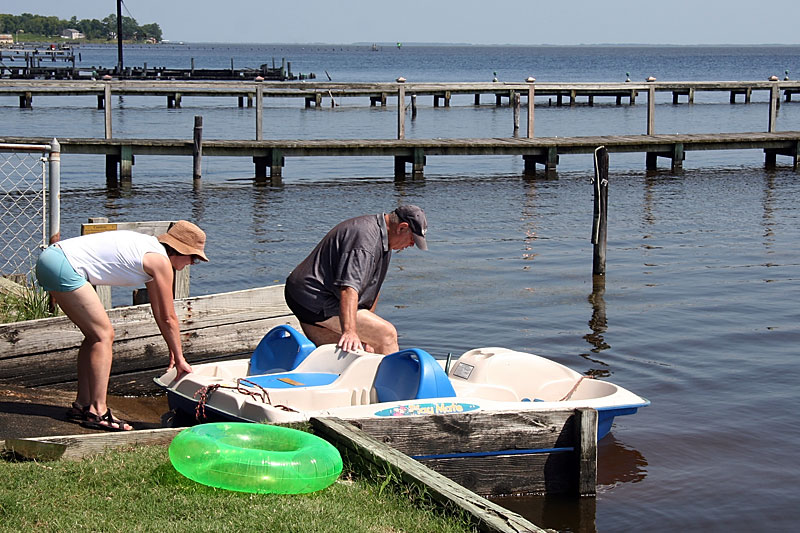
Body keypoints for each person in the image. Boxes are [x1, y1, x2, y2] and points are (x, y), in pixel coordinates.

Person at [35, 220, 209, 432]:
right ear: (180, 250)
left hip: (52, 259)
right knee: (103, 335)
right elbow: (169, 317)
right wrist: (180, 358)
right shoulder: (161, 262)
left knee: (94, 336)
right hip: (64, 264)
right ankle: (98, 411)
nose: (192, 263)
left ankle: (83, 404)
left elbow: (160, 313)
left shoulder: (151, 253)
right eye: (193, 257)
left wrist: (173, 350)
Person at [284, 205, 427, 355]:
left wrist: (366, 334)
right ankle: (393, 377)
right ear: (402, 228)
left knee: (355, 352)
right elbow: (348, 288)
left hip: (310, 296)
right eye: (412, 239)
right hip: (312, 297)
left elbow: (372, 287)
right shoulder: (366, 243)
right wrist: (350, 331)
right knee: (386, 334)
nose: (411, 245)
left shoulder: (385, 238)